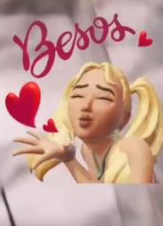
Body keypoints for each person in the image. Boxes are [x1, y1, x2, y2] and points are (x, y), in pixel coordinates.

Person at [12, 61, 163, 184]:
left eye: (103, 98)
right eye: (78, 96)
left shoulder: (135, 148)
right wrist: (68, 159)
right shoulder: (87, 151)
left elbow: (143, 199)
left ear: (124, 118)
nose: (85, 106)